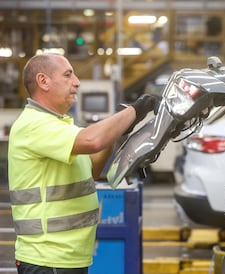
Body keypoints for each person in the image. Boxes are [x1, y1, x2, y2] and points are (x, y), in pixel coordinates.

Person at [7, 53, 158, 274]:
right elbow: (92, 140)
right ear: (43, 81)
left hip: (67, 258)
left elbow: (92, 169)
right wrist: (134, 111)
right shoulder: (33, 124)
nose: (77, 82)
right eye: (68, 75)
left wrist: (117, 131)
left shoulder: (61, 125)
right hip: (48, 260)